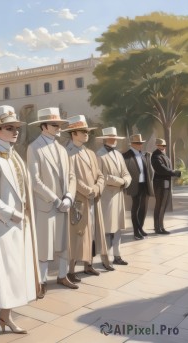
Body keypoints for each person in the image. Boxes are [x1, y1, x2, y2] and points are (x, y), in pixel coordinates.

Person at [0, 106, 41, 343]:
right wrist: (15, 215)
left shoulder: (15, 156)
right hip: (2, 226)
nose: (14, 132)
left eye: (15, 127)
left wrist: (23, 216)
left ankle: (7, 318)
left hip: (18, 225)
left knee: (14, 274)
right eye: (8, 127)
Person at [26, 107, 77, 295]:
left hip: (64, 204)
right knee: (44, 246)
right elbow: (34, 180)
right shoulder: (34, 148)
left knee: (63, 244)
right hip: (46, 205)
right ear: (44, 126)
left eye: (60, 124)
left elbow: (72, 176)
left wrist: (69, 197)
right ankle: (41, 281)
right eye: (55, 124)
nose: (59, 128)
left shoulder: (63, 150)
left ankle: (63, 276)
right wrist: (56, 199)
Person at [63, 115, 112, 280]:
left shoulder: (90, 153)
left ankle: (88, 264)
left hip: (93, 199)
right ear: (73, 133)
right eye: (83, 131)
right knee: (76, 234)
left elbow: (100, 175)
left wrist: (97, 188)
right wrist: (88, 191)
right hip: (78, 200)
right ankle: (70, 269)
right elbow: (71, 178)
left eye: (87, 131)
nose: (86, 134)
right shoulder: (67, 153)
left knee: (91, 233)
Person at [95, 127, 132, 266]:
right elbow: (102, 177)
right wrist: (121, 181)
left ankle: (117, 255)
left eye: (115, 138)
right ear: (105, 139)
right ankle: (105, 259)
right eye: (111, 138)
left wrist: (126, 181)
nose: (114, 140)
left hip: (118, 195)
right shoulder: (99, 155)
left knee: (117, 228)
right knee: (106, 228)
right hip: (107, 197)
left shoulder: (119, 154)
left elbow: (126, 173)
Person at [122, 134, 154, 240]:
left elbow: (149, 169)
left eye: (141, 143)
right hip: (134, 185)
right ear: (132, 144)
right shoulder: (126, 155)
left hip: (144, 184)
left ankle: (140, 228)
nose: (140, 145)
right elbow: (124, 171)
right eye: (138, 143)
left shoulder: (144, 155)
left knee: (143, 208)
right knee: (135, 208)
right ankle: (136, 232)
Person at [151, 138, 181, 235]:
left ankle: (161, 227)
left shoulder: (163, 155)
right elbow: (161, 169)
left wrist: (173, 172)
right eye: (162, 145)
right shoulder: (155, 156)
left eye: (164, 146)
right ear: (157, 145)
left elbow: (166, 168)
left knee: (163, 205)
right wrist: (174, 173)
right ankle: (157, 227)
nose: (164, 147)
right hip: (159, 183)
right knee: (159, 205)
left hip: (165, 183)